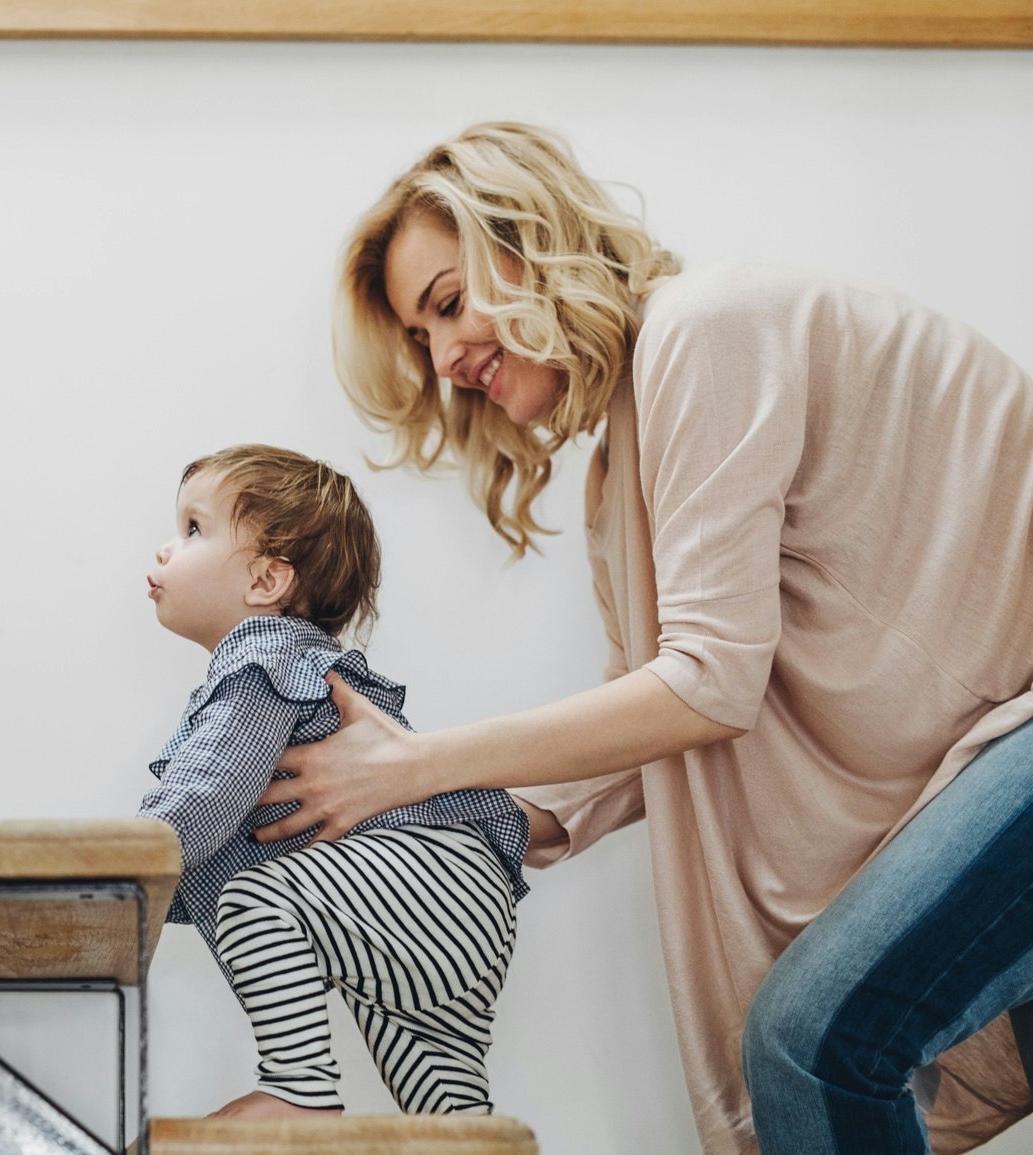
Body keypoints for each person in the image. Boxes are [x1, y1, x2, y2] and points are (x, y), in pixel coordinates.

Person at [248, 122, 1033, 1154]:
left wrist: (412, 765)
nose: (443, 358)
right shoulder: (621, 459)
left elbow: (708, 685)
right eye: (419, 338)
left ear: (529, 239)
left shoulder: (705, 331)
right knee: (818, 1045)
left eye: (445, 305)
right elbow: (651, 722)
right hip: (997, 752)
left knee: (811, 1045)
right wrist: (434, 819)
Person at [136, 443, 531, 1119]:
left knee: (249, 898)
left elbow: (206, 795)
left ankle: (297, 1087)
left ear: (265, 581)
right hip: (459, 903)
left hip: (426, 875)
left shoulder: (260, 658)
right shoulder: (287, 664)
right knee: (451, 1117)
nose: (167, 549)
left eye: (194, 528)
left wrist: (121, 857)